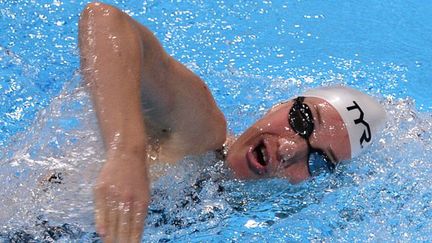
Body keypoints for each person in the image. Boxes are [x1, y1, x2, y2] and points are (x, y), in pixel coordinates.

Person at [78, 2, 386, 242]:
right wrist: (126, 153)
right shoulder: (200, 131)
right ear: (280, 104)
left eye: (319, 162)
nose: (291, 149)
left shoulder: (259, 216)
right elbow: (105, 21)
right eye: (302, 120)